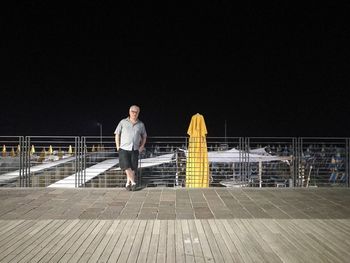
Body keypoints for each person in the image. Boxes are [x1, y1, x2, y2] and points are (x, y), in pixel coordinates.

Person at [114, 105, 147, 191]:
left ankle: (128, 184)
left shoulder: (141, 124)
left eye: (136, 112)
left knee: (132, 167)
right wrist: (118, 147)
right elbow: (117, 134)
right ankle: (133, 183)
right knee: (126, 165)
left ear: (138, 113)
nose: (134, 113)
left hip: (135, 148)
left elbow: (144, 136)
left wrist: (142, 146)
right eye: (133, 111)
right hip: (124, 148)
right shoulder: (123, 122)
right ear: (129, 112)